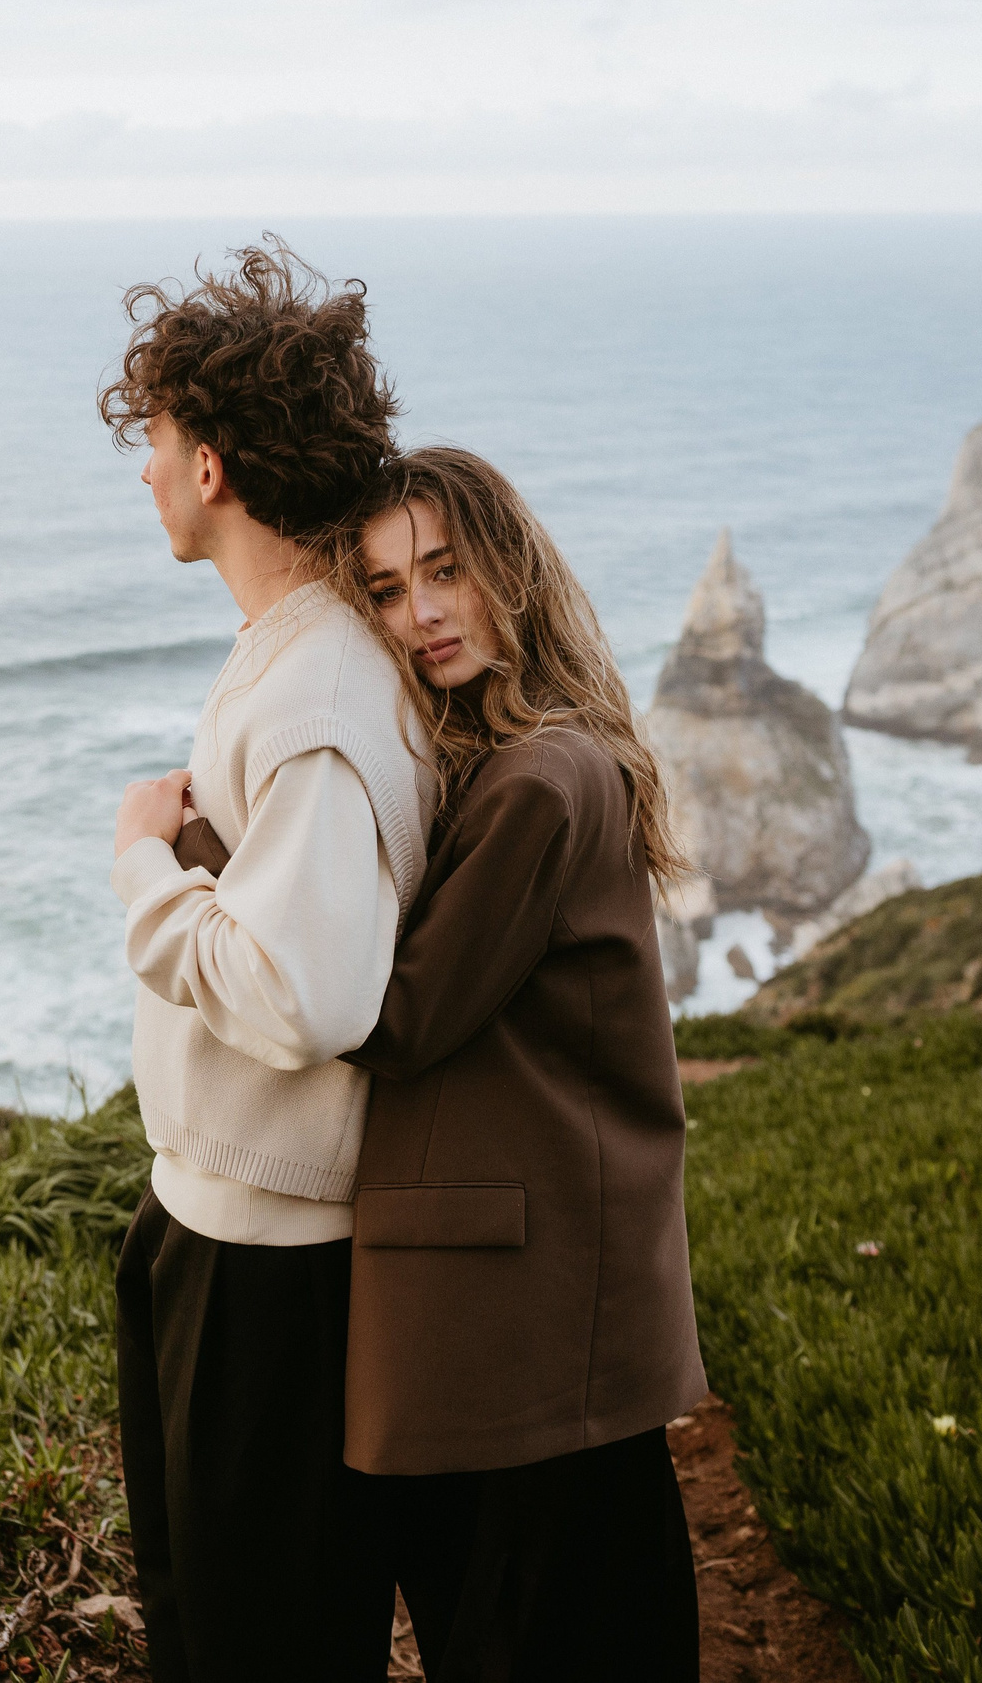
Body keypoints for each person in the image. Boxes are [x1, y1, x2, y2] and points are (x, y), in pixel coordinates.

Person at [98, 240, 432, 1683]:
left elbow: (309, 994)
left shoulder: (318, 689)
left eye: (158, 443)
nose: (148, 474)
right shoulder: (299, 650)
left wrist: (140, 863)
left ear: (215, 465)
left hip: (274, 1269)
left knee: (261, 1646)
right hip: (219, 1224)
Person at [338, 445, 708, 1680]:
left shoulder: (535, 784)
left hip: (523, 1332)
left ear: (511, 569)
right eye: (385, 590)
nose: (421, 612)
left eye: (445, 570)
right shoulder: (534, 759)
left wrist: (200, 871)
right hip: (558, 1318)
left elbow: (394, 1015)